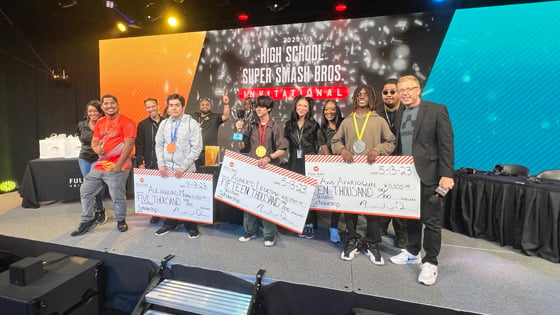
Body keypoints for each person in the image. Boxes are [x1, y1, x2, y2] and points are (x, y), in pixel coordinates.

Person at [389, 75, 454, 286]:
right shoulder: (400, 113)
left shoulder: (436, 109)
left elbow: (446, 144)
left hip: (431, 175)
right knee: (411, 217)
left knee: (432, 222)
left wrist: (447, 174)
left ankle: (431, 262)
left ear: (418, 90)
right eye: (402, 90)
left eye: (409, 89)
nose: (405, 93)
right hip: (407, 177)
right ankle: (412, 252)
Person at [331, 84, 395, 265]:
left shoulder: (378, 120)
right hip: (351, 173)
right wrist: (342, 149)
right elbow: (335, 140)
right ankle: (351, 239)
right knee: (350, 208)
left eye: (366, 94)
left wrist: (378, 149)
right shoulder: (347, 121)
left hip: (371, 172)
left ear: (371, 98)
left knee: (372, 209)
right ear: (355, 98)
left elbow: (391, 141)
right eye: (359, 94)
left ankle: (373, 243)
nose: (362, 97)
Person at [71, 94, 136, 236]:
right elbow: (94, 142)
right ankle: (87, 220)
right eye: (105, 103)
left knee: (117, 195)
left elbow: (129, 144)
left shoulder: (127, 122)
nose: (109, 106)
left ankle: (120, 220)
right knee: (85, 191)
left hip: (119, 165)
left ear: (117, 104)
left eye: (112, 103)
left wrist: (118, 164)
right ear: (102, 106)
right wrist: (96, 149)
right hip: (102, 164)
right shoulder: (100, 123)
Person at [236, 95, 288, 247]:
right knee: (250, 199)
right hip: (252, 167)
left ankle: (269, 234)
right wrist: (238, 130)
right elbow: (242, 147)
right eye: (256, 106)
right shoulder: (251, 125)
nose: (258, 109)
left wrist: (269, 158)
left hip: (269, 168)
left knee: (268, 201)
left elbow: (282, 149)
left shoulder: (275, 126)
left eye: (261, 106)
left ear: (269, 109)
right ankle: (250, 231)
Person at [153, 94, 203, 238]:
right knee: (170, 198)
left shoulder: (191, 123)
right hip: (167, 170)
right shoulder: (164, 124)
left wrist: (183, 167)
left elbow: (197, 148)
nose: (174, 108)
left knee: (187, 199)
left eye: (177, 105)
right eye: (171, 105)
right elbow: (159, 145)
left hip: (186, 170)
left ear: (183, 107)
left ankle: (191, 226)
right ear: (168, 107)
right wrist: (161, 165)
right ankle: (170, 223)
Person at [376, 78, 408, 248]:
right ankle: (381, 226)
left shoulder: (409, 112)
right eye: (385, 92)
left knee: (399, 200)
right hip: (382, 162)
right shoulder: (377, 114)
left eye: (392, 92)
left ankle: (401, 234)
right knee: (382, 195)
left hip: (403, 163)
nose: (388, 95)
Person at [284, 95, 320, 238]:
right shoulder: (289, 124)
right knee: (295, 192)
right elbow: (285, 144)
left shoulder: (314, 125)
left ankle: (309, 224)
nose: (302, 108)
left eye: (305, 106)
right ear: (295, 106)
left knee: (308, 192)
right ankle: (296, 221)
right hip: (294, 161)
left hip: (308, 162)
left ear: (309, 108)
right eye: (299, 105)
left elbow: (317, 146)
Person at [317, 99, 344, 243]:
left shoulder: (345, 123)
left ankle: (349, 227)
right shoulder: (321, 130)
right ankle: (333, 228)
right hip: (333, 166)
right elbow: (325, 151)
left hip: (348, 164)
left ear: (337, 110)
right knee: (336, 198)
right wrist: (334, 164)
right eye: (326, 109)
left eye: (332, 109)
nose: (329, 112)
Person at [76, 100, 106, 225]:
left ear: (100, 112)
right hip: (84, 158)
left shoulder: (105, 123)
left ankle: (99, 209)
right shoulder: (82, 124)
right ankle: (92, 211)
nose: (92, 113)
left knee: (95, 183)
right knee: (89, 185)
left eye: (95, 111)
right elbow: (80, 138)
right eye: (90, 111)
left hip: (99, 158)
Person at [135, 98, 163, 224]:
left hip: (166, 162)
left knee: (166, 188)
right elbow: (139, 145)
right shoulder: (142, 125)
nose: (151, 109)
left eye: (153, 106)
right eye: (148, 107)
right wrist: (140, 163)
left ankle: (170, 213)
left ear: (158, 106)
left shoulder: (167, 121)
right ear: (146, 109)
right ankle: (156, 213)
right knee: (154, 189)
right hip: (151, 161)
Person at [190, 93, 230, 169]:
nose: (205, 106)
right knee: (195, 173)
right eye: (202, 104)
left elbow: (226, 116)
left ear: (210, 106)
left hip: (210, 150)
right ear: (199, 106)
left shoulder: (215, 117)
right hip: (195, 149)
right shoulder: (194, 116)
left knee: (209, 173)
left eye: (207, 104)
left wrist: (226, 104)